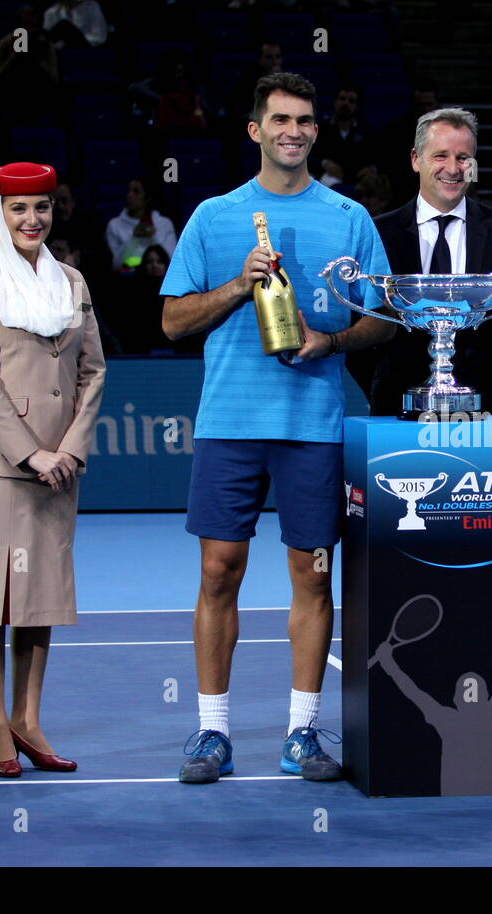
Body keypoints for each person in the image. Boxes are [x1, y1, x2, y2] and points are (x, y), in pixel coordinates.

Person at [160, 72, 395, 785]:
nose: (294, 131)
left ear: (316, 132)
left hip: (313, 425)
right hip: (230, 422)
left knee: (312, 576)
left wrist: (330, 342)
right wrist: (237, 284)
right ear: (255, 131)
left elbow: (383, 319)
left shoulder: (351, 218)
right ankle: (212, 733)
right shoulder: (212, 217)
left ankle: (301, 732)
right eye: (280, 120)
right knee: (217, 572)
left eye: (306, 121)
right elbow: (172, 322)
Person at [0, 161, 106, 777]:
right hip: (1, 467)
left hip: (59, 468)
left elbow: (93, 371)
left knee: (37, 597)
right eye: (19, 209)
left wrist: (69, 448)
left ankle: (27, 720)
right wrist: (30, 451)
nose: (32, 219)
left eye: (41, 207)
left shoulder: (72, 281)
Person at [365, 107, 492, 416]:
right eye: (440, 156)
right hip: (396, 408)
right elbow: (365, 320)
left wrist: (481, 385)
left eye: (464, 158)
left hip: (487, 407)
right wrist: (384, 386)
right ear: (416, 159)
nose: (453, 168)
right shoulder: (379, 232)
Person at [105, 178, 177, 272]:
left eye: (136, 191)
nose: (130, 195)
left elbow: (171, 260)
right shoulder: (114, 225)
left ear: (147, 198)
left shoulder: (165, 223)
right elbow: (116, 264)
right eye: (129, 191)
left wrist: (153, 236)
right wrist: (134, 238)